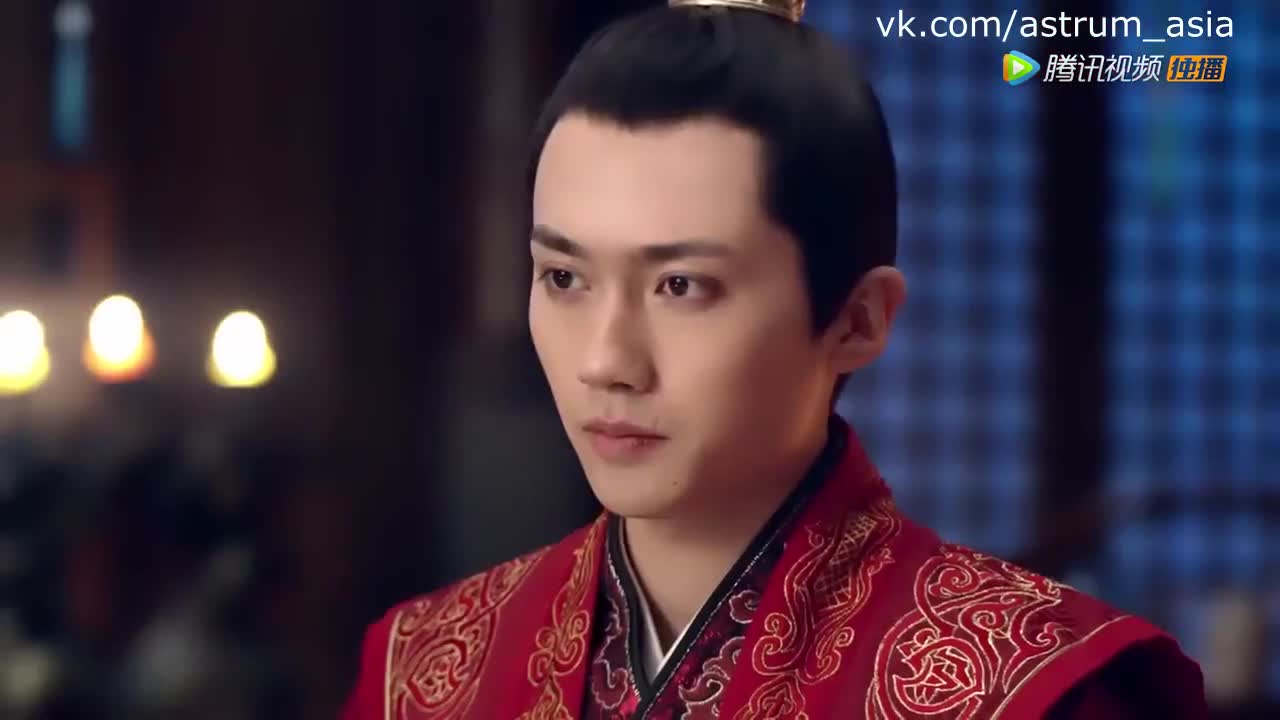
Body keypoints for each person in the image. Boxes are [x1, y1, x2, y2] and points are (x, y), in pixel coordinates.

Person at [342, 1, 1208, 717]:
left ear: (858, 321)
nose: (605, 361)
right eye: (564, 277)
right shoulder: (426, 670)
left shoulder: (1028, 688)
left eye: (681, 285)